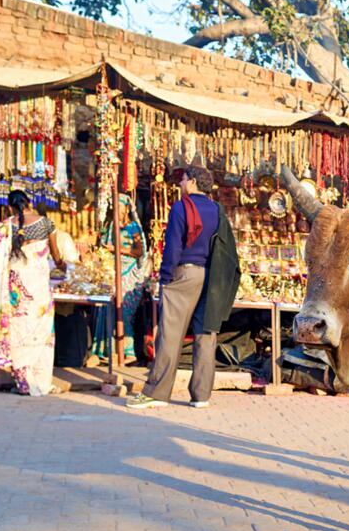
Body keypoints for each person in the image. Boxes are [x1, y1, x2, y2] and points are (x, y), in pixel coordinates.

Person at [127, 165, 240, 410]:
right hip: (210, 277)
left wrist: (165, 277)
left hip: (184, 273)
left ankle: (157, 392)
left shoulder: (182, 207)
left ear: (192, 183)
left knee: (170, 333)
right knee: (205, 333)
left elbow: (173, 246)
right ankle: (201, 395)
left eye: (184, 179)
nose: (180, 184)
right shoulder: (217, 210)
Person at [0, 189, 63, 396]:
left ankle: (24, 381)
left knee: (19, 328)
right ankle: (41, 381)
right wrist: (64, 266)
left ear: (11, 207)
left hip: (16, 290)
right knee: (42, 330)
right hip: (39, 288)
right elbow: (56, 256)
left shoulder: (5, 226)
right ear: (29, 202)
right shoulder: (47, 223)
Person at [93, 194, 148, 361]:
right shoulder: (110, 227)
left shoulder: (132, 228)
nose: (116, 210)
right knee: (107, 309)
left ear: (126, 209)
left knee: (123, 312)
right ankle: (108, 351)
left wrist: (117, 249)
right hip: (112, 271)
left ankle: (128, 352)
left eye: (119, 207)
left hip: (129, 273)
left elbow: (139, 251)